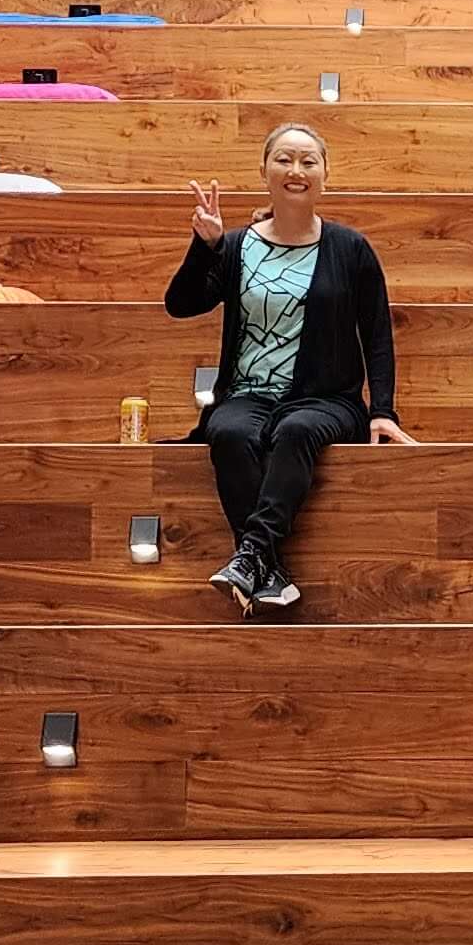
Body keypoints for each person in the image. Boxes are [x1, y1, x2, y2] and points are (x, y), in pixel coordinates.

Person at [166, 122, 416, 613]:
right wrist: (206, 245)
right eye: (284, 159)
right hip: (248, 396)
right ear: (264, 171)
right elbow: (181, 304)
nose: (296, 170)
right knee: (229, 431)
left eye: (308, 160)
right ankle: (268, 569)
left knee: (298, 430)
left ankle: (251, 555)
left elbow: (377, 334)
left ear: (325, 174)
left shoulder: (350, 249)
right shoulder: (238, 246)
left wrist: (382, 411)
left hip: (328, 400)